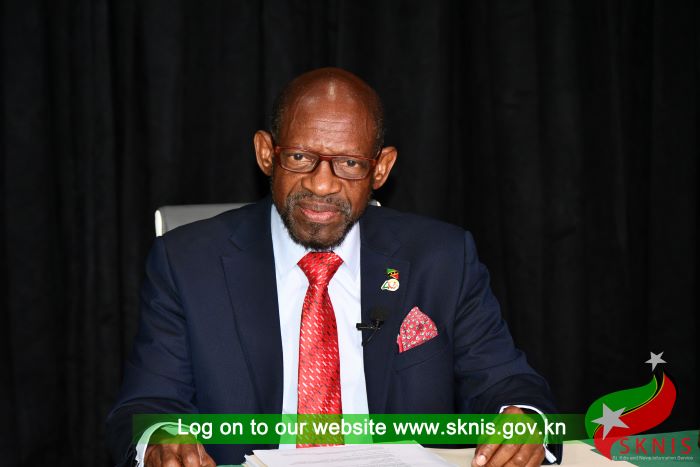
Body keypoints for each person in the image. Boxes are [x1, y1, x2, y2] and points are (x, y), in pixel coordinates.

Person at [107, 67, 562, 467]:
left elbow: (507, 382)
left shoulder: (441, 258)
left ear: (380, 169)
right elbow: (149, 404)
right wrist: (161, 439)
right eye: (300, 157)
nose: (322, 184)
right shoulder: (188, 263)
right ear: (266, 153)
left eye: (348, 163)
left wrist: (521, 420)